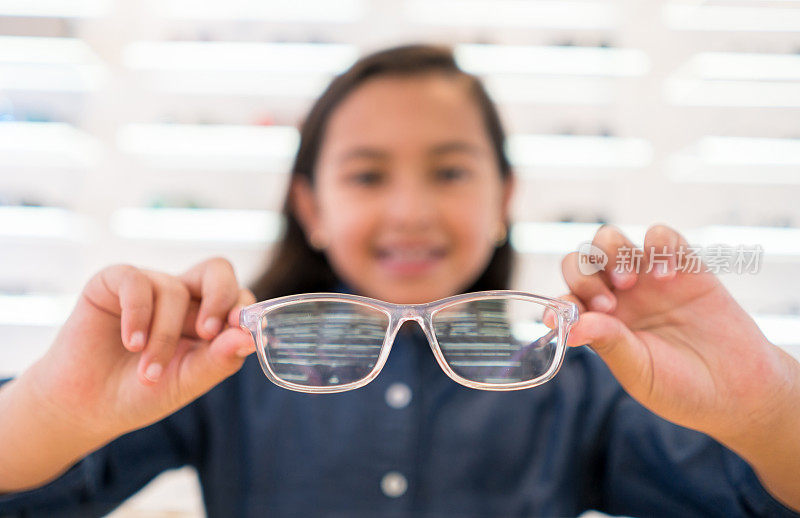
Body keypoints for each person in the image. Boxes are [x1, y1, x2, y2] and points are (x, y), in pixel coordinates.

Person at [0, 44, 798, 517]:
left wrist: (767, 404)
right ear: (310, 207)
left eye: (450, 171)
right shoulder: (218, 369)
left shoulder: (582, 386)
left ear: (504, 199)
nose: (411, 209)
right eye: (368, 175)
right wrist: (43, 410)